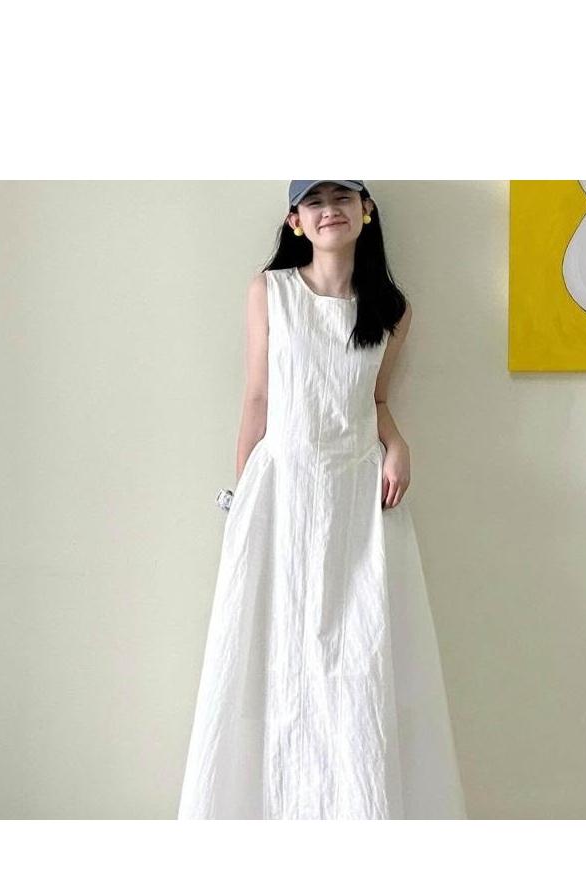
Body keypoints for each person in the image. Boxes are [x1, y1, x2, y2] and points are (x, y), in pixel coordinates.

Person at [177, 181, 467, 819]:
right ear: (295, 221)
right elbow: (258, 397)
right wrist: (244, 502)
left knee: (357, 662)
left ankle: (357, 808)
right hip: (282, 494)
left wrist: (397, 444)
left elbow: (376, 398)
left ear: (366, 210)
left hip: (359, 503)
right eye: (314, 201)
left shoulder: (391, 309)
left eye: (341, 197)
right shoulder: (271, 292)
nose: (329, 210)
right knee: (274, 655)